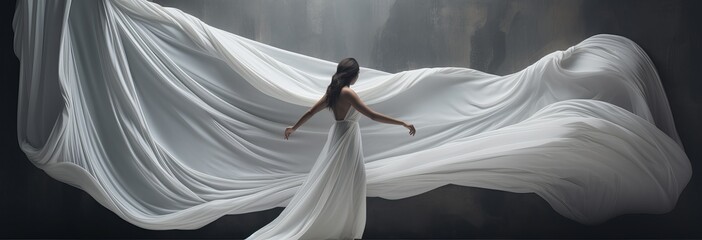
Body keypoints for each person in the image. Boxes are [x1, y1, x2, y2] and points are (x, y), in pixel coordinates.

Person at [247, 58, 416, 240]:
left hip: (339, 134)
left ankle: (340, 225)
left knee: (339, 180)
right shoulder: (348, 93)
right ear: (353, 75)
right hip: (347, 139)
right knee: (352, 180)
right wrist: (402, 123)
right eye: (357, 74)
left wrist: (294, 127)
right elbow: (372, 115)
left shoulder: (333, 92)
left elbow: (311, 111)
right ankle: (345, 229)